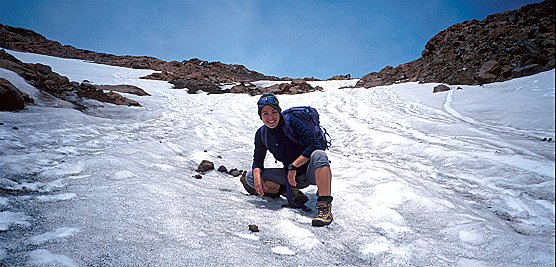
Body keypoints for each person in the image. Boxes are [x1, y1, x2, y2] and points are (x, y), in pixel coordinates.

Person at [240, 93, 334, 227]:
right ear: (260, 116)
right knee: (250, 177)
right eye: (265, 113)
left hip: (309, 172)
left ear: (279, 111)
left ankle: (324, 208)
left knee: (319, 155)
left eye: (274, 112)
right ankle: (293, 193)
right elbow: (258, 160)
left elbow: (314, 144)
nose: (270, 117)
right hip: (290, 179)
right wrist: (256, 175)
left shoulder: (291, 123)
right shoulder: (261, 134)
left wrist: (293, 166)